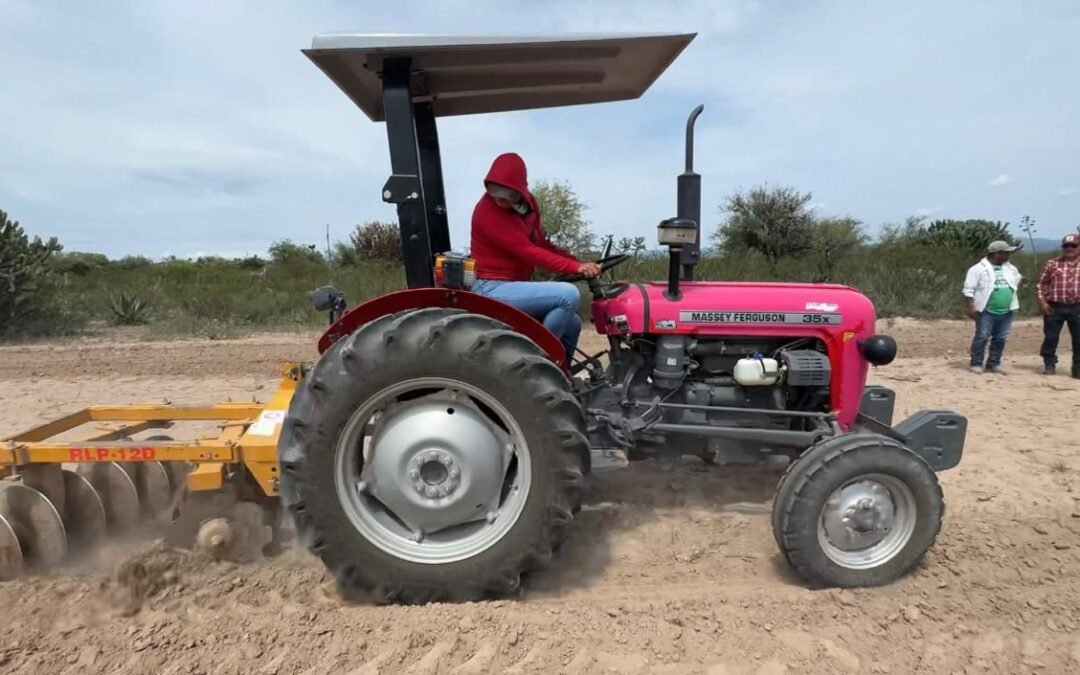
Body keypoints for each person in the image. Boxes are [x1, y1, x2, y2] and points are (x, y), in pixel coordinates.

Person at [469, 152, 600, 363]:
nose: (499, 198)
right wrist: (574, 267)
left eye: (505, 193)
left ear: (519, 189)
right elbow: (528, 252)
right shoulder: (487, 212)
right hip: (490, 286)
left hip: (513, 284)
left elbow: (540, 243)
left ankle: (560, 377)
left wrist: (576, 262)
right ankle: (535, 364)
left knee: (572, 323)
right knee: (568, 296)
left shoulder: (528, 205)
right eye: (494, 191)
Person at [962, 240, 1023, 374]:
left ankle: (994, 363)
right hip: (986, 310)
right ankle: (976, 362)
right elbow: (968, 289)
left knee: (1000, 338)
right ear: (997, 253)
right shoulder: (978, 269)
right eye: (1006, 253)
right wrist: (971, 307)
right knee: (982, 336)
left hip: (1007, 310)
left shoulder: (1010, 268)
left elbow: (1016, 280)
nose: (1009, 255)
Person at [1036, 232, 1080, 378]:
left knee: (1079, 339)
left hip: (1077, 307)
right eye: (1066, 246)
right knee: (1051, 337)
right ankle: (1049, 364)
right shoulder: (1052, 264)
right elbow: (1040, 284)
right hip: (1054, 306)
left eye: (1073, 245)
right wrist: (1042, 302)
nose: (1070, 248)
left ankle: (1077, 369)